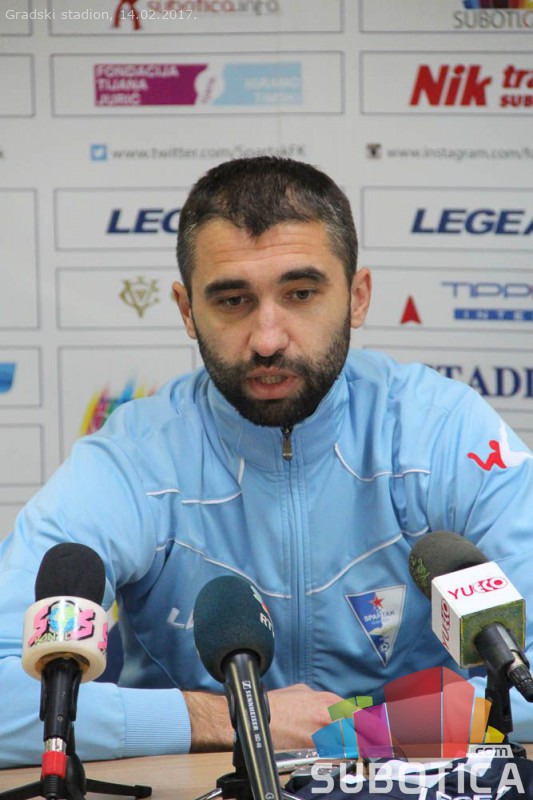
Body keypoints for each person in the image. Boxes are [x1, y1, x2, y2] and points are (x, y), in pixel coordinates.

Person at [1, 156, 532, 768]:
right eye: (233, 300)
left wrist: (357, 734)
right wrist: (237, 717)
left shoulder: (441, 431)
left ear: (357, 297)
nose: (268, 338)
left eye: (301, 293)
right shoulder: (131, 460)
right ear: (186, 310)